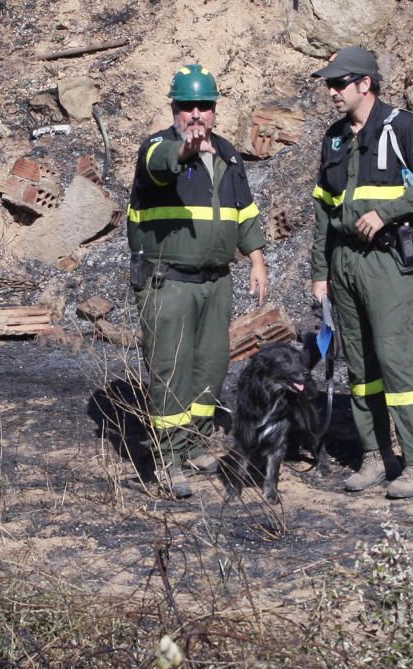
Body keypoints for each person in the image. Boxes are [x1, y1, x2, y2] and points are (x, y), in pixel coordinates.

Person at [309, 46, 413, 499]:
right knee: (360, 364)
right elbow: (322, 209)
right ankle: (376, 455)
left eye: (340, 83)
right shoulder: (334, 138)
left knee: (393, 359)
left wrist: (387, 212)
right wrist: (320, 272)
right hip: (344, 262)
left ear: (365, 84)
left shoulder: (403, 127)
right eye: (329, 83)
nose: (332, 91)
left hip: (386, 260)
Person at [127, 64, 268, 498]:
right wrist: (186, 152)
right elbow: (163, 166)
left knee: (210, 365)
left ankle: (194, 441)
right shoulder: (157, 149)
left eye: (203, 106)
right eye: (186, 106)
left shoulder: (227, 153)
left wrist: (257, 261)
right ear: (174, 109)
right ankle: (167, 459)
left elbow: (243, 211)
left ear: (214, 110)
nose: (195, 114)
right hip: (168, 281)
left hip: (216, 281)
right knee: (170, 368)